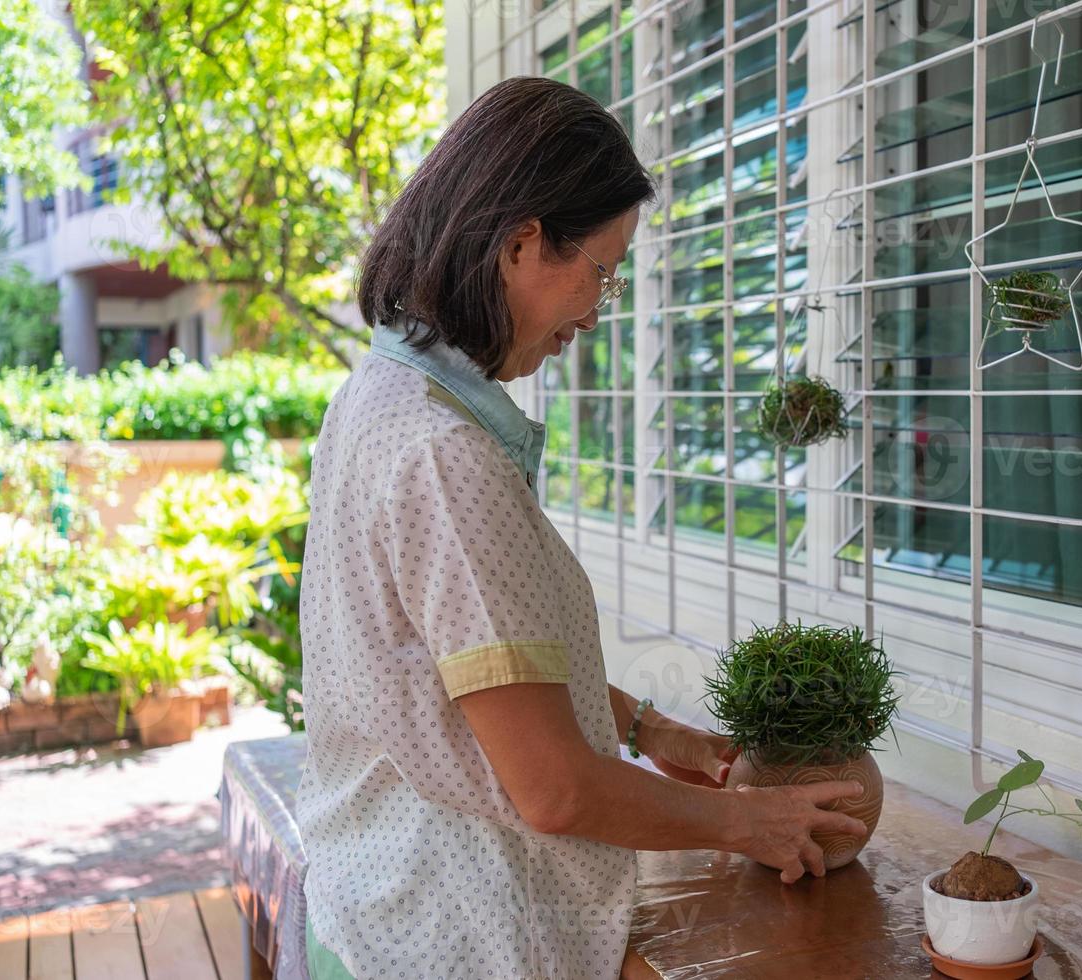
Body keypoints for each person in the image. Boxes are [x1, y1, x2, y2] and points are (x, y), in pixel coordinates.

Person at [294, 76, 868, 980]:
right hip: (448, 927)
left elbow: (460, 663)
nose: (596, 311)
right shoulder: (444, 455)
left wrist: (643, 728)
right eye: (599, 268)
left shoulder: (382, 395)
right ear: (523, 241)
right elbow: (553, 790)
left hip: (374, 896)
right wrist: (745, 821)